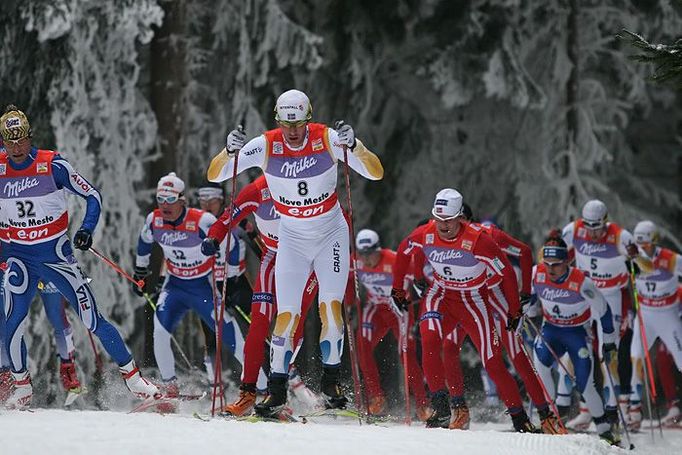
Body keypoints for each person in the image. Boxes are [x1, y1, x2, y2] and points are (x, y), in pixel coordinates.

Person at [207, 89, 383, 417]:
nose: (292, 132)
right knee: (286, 317)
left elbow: (375, 172)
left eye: (299, 124)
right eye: (286, 124)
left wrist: (356, 145)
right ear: (278, 121)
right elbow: (215, 174)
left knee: (330, 310)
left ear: (308, 119)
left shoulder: (327, 138)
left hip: (330, 234)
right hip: (292, 239)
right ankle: (275, 392)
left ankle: (332, 383)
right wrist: (228, 151)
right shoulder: (266, 144)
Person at [0, 104, 158, 409]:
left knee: (91, 318)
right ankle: (21, 387)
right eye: (9, 142)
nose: (16, 148)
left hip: (55, 256)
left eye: (21, 141)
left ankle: (136, 380)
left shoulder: (52, 165)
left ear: (30, 138)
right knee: (11, 323)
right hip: (19, 257)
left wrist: (86, 228)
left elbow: (92, 195)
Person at [391, 188, 535, 432]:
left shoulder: (479, 241)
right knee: (429, 339)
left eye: (448, 220)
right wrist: (397, 291)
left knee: (492, 362)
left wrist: (514, 311)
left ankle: (520, 418)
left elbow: (507, 274)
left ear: (460, 218)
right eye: (438, 219)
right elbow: (404, 250)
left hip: (473, 301)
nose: (443, 226)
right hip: (441, 295)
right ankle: (441, 407)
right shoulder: (425, 233)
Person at [439, 204, 563, 433]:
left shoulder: (486, 233)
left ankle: (546, 416)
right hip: (466, 300)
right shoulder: (442, 238)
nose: (455, 228)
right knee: (448, 346)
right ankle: (459, 408)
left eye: (460, 221)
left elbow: (524, 252)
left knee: (517, 355)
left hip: (494, 297)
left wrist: (525, 293)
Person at [202, 175, 319, 416]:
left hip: (307, 263)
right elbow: (226, 218)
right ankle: (248, 394)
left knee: (292, 327)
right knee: (258, 326)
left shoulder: (307, 183)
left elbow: (332, 216)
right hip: (273, 260)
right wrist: (213, 237)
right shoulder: (257, 190)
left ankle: (278, 392)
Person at [133, 172, 248, 405]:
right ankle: (169, 387)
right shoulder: (153, 220)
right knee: (160, 331)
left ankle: (260, 386)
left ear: (182, 200)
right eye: (160, 199)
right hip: (174, 286)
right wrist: (140, 271)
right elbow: (144, 243)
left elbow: (232, 243)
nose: (165, 205)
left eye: (170, 200)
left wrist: (233, 274)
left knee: (230, 335)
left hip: (202, 287)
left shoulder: (202, 220)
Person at [531, 236, 620, 445]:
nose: (551, 269)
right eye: (548, 264)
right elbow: (529, 296)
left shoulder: (581, 281)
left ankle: (605, 430)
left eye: (556, 265)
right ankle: (550, 417)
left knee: (584, 383)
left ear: (567, 262)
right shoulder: (537, 273)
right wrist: (525, 309)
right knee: (540, 363)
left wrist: (608, 342)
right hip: (551, 330)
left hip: (577, 333)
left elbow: (604, 310)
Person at [561, 199, 636, 427]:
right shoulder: (573, 230)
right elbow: (555, 258)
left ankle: (612, 413)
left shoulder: (619, 235)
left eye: (597, 227)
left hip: (612, 297)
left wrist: (636, 258)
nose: (593, 233)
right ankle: (571, 410)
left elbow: (642, 264)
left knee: (608, 355)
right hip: (584, 295)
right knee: (571, 351)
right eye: (589, 226)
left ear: (605, 221)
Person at [353, 228, 430, 420]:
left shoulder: (393, 259)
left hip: (399, 309)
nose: (367, 259)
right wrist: (347, 302)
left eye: (370, 253)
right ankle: (376, 397)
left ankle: (422, 404)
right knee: (361, 346)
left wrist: (414, 297)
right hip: (376, 308)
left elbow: (421, 275)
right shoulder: (355, 261)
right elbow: (342, 276)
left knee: (406, 354)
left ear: (378, 249)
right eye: (362, 254)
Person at [195, 181, 252, 385]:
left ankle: (283, 381)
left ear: (221, 200)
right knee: (211, 336)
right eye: (203, 200)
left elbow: (258, 246)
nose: (207, 205)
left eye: (212, 200)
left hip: (237, 284)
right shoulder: (197, 222)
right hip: (209, 286)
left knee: (256, 329)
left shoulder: (235, 221)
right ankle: (214, 385)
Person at [627, 220, 682, 429]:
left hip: (667, 315)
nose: (643, 248)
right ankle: (634, 411)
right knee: (636, 359)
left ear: (655, 242)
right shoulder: (632, 258)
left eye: (647, 245)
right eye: (639, 244)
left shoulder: (669, 259)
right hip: (645, 316)